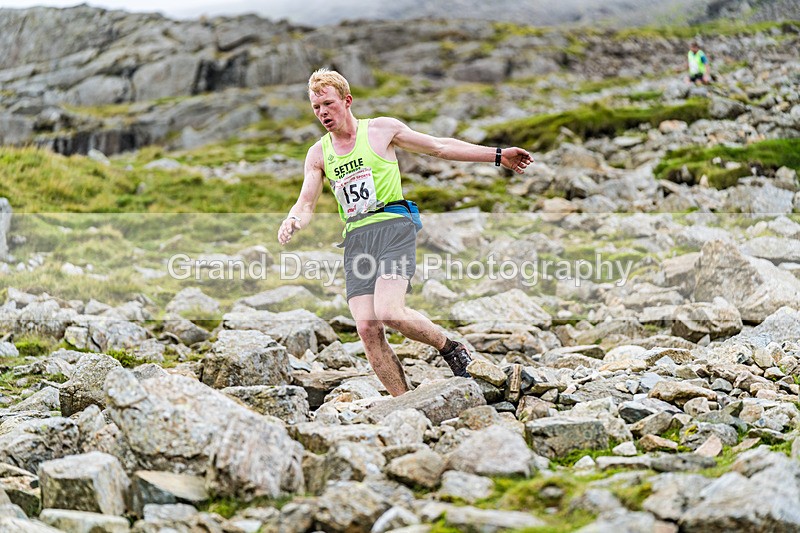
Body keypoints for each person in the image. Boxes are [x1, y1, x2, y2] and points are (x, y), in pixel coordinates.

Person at [277, 68, 533, 396]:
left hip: (394, 227)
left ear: (347, 100)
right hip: (357, 238)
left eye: (328, 104)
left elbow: (439, 147)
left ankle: (452, 349)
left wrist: (498, 155)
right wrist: (293, 220)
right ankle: (405, 403)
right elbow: (306, 203)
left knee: (389, 312)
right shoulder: (318, 154)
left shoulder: (382, 130)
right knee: (367, 327)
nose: (323, 113)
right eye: (316, 108)